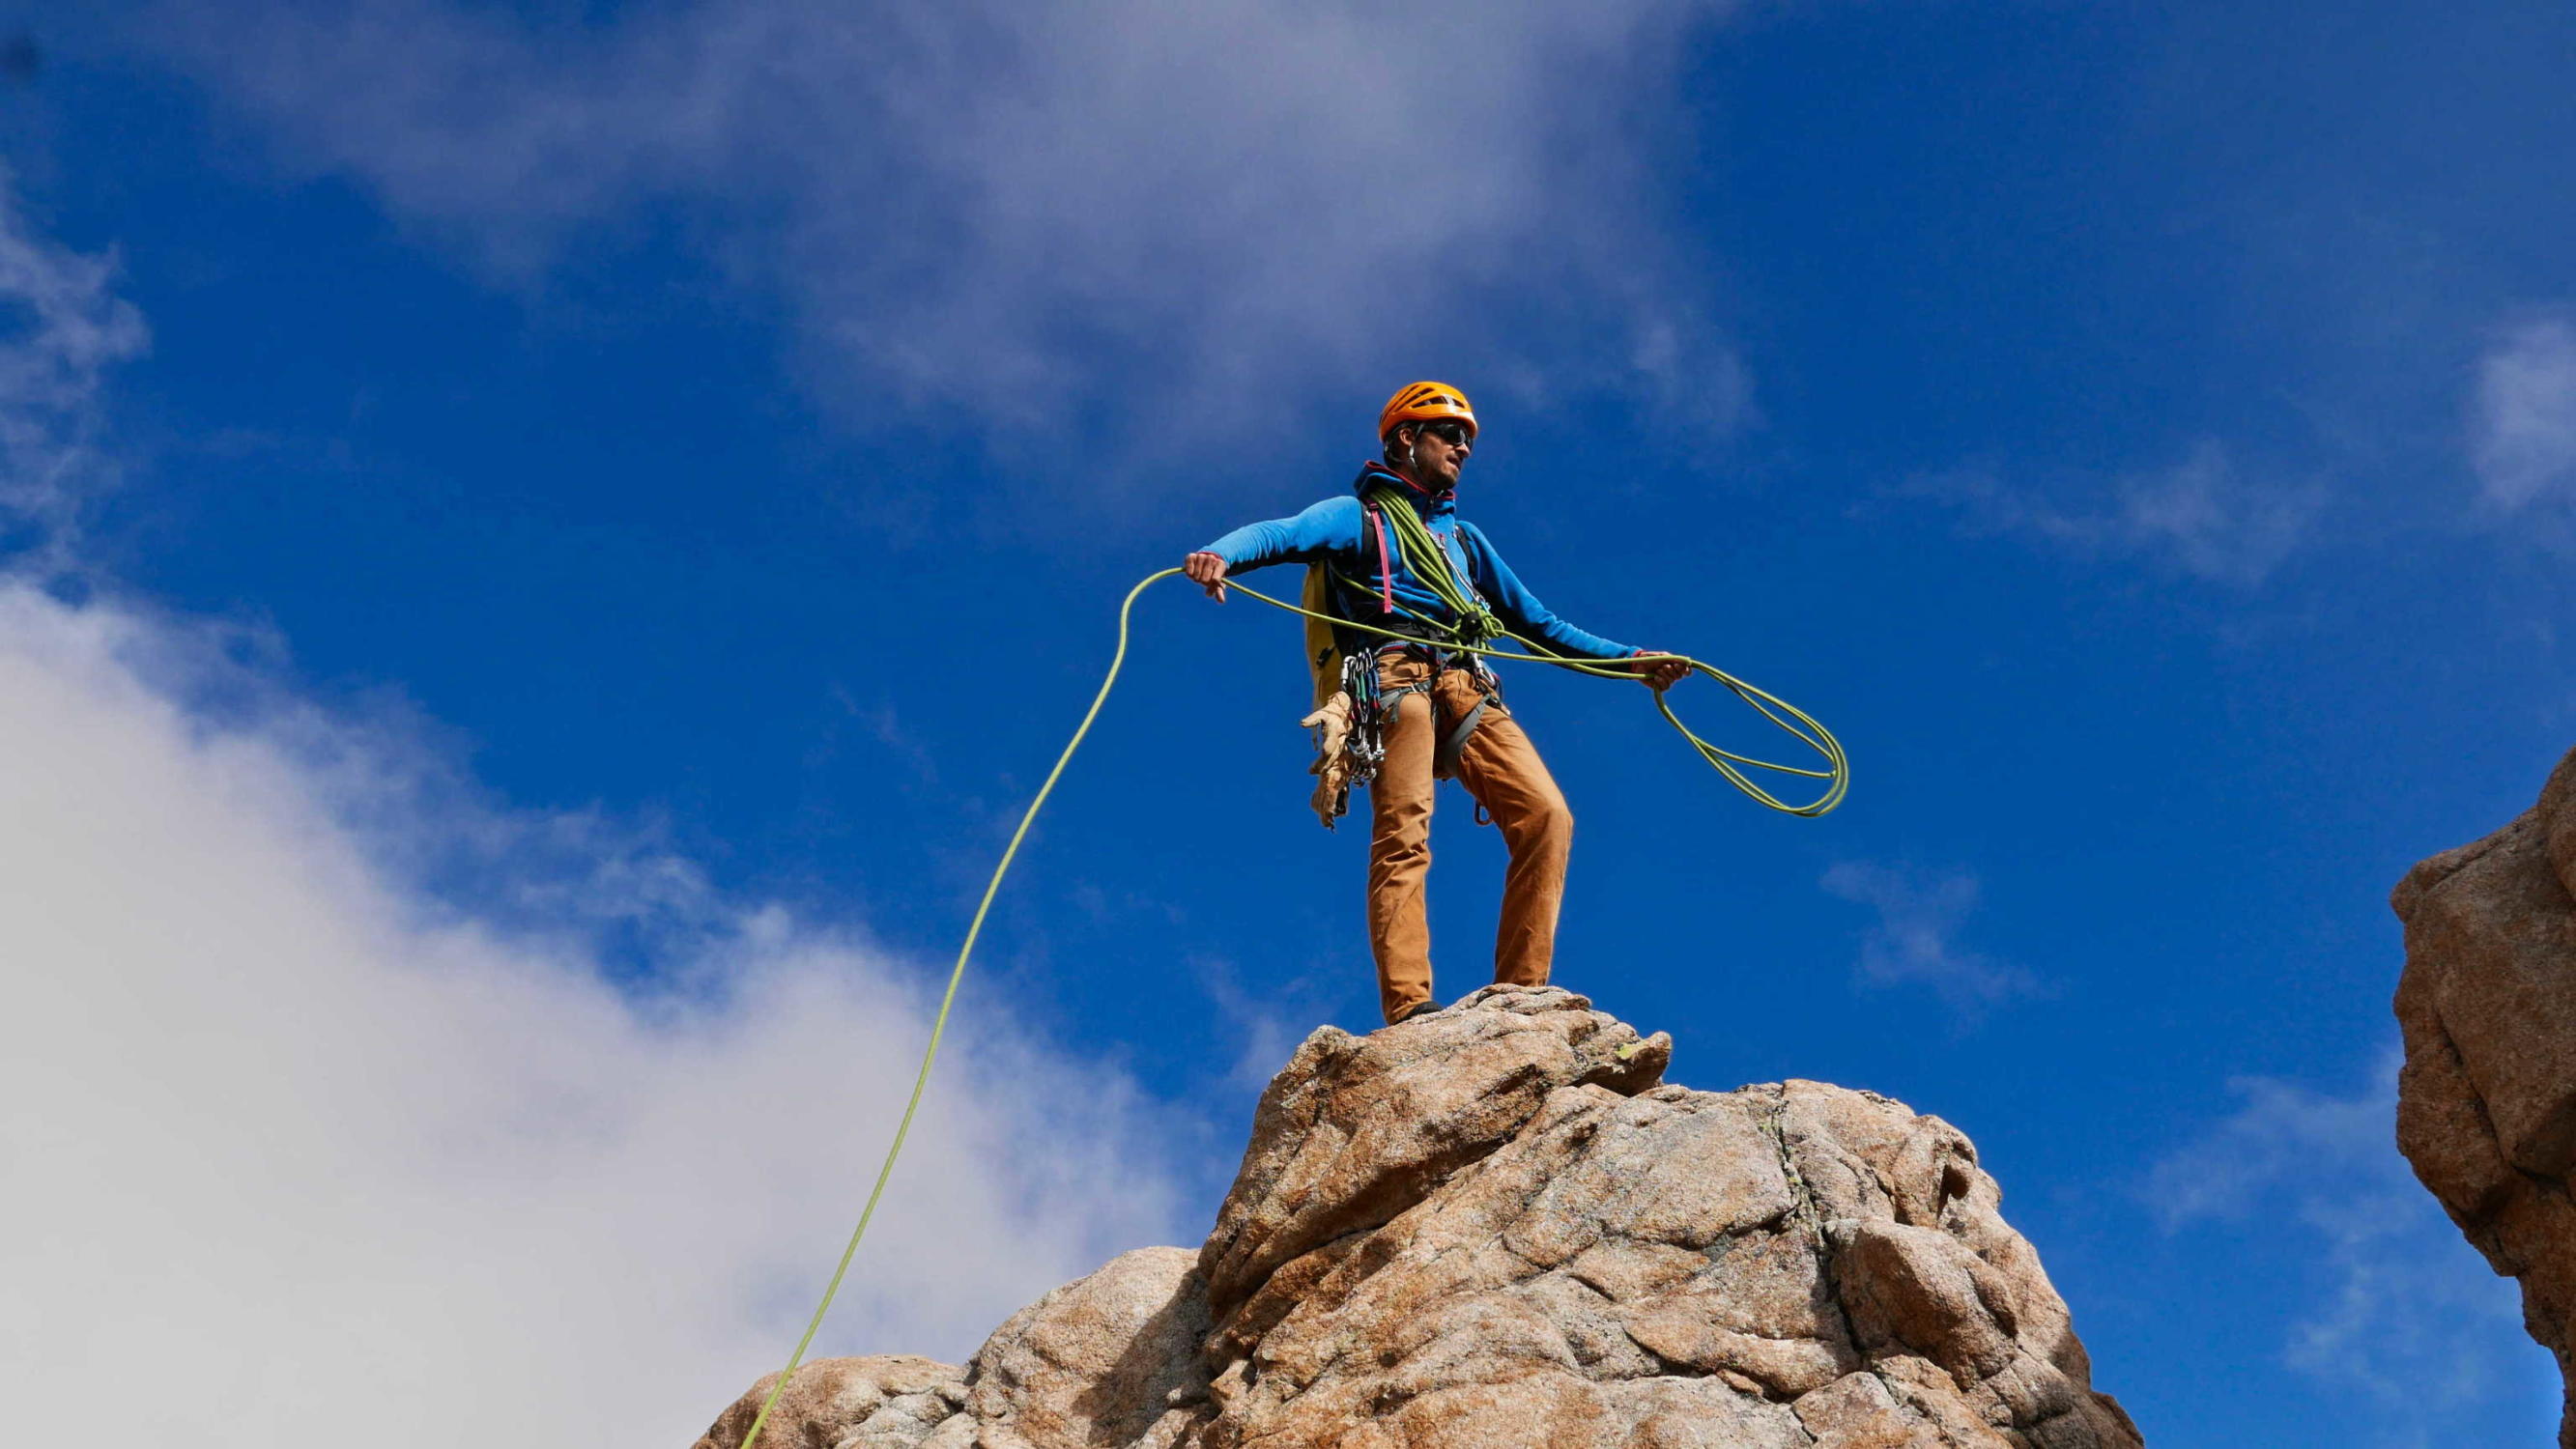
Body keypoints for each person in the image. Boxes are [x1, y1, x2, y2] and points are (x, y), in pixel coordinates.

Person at [1185, 382, 1686, 1026]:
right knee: (1404, 835)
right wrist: (1219, 556)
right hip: (1392, 677)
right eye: (1448, 434)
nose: (1462, 447)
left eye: (1468, 439)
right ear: (1404, 439)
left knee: (1547, 816)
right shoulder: (1356, 517)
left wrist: (1629, 662)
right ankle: (1409, 1003)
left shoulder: (1463, 543)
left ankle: (1520, 998)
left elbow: (1541, 625)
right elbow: (1281, 534)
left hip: (1464, 684)